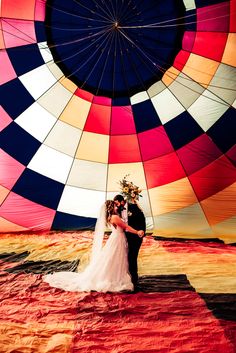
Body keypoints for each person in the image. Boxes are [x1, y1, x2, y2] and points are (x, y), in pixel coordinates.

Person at [43, 200, 144, 293]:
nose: (117, 207)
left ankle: (114, 276)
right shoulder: (115, 217)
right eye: (115, 205)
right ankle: (113, 278)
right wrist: (137, 232)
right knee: (115, 258)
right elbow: (126, 227)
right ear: (111, 207)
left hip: (117, 239)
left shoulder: (111, 217)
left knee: (114, 259)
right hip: (118, 239)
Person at [113, 194, 146, 290]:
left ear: (122, 201)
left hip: (136, 236)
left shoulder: (134, 207)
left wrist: (142, 231)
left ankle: (134, 279)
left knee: (132, 256)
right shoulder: (117, 210)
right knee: (124, 257)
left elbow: (142, 218)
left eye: (117, 203)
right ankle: (126, 277)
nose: (117, 205)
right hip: (124, 237)